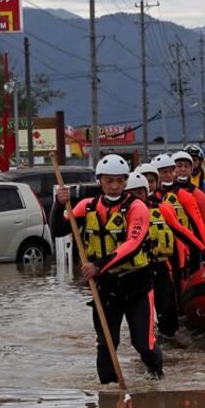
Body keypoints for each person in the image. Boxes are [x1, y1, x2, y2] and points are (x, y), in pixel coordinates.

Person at [51, 154, 163, 383]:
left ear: (125, 182)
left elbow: (132, 245)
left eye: (120, 181)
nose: (114, 186)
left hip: (137, 286)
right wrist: (57, 204)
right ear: (100, 181)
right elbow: (58, 230)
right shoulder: (88, 206)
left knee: (143, 344)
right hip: (106, 287)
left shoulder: (137, 207)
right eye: (109, 181)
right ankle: (109, 397)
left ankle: (157, 379)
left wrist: (97, 266)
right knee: (106, 345)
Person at [125, 169, 205, 337]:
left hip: (160, 268)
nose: (136, 197)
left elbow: (184, 233)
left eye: (139, 192)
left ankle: (169, 345)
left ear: (147, 193)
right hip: (134, 272)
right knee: (141, 320)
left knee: (169, 319)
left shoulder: (162, 210)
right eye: (131, 193)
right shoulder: (120, 215)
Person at [153, 153, 205, 283]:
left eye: (170, 171)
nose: (168, 175)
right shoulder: (150, 199)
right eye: (163, 172)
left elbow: (200, 225)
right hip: (160, 251)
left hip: (186, 247)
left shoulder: (187, 195)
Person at [172, 150, 205, 224]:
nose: (183, 169)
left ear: (191, 169)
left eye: (186, 166)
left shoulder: (199, 195)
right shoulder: (164, 193)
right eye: (179, 166)